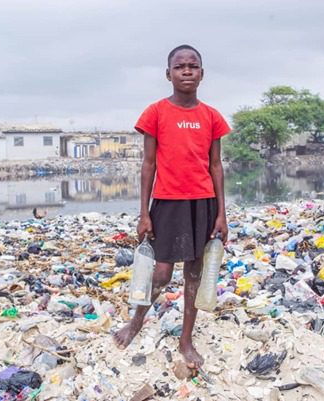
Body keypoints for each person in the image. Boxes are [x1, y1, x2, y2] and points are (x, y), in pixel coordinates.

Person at [113, 44, 231, 368]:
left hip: (202, 203)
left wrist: (222, 214)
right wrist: (144, 213)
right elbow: (148, 165)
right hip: (167, 202)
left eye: (193, 66)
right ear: (169, 74)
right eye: (180, 67)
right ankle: (135, 322)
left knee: (194, 273)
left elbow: (216, 166)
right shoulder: (155, 113)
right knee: (162, 274)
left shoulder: (211, 116)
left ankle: (186, 339)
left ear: (202, 74)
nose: (187, 71)